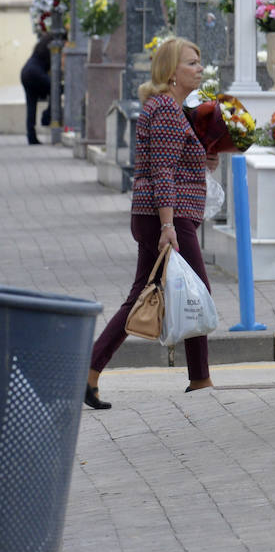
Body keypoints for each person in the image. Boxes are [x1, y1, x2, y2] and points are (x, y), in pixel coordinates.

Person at [86, 38, 218, 409]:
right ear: (171, 72)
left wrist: (205, 158)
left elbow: (175, 163)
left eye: (199, 61)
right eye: (192, 63)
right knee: (196, 290)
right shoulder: (165, 111)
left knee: (143, 295)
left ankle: (90, 370)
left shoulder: (175, 109)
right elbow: (161, 173)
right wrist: (167, 226)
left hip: (168, 215)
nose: (200, 68)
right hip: (165, 217)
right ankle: (200, 378)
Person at [20, 33, 54, 145]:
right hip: (36, 73)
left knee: (31, 106)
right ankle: (47, 116)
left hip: (25, 72)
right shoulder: (52, 47)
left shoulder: (40, 46)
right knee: (56, 90)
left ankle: (31, 136)